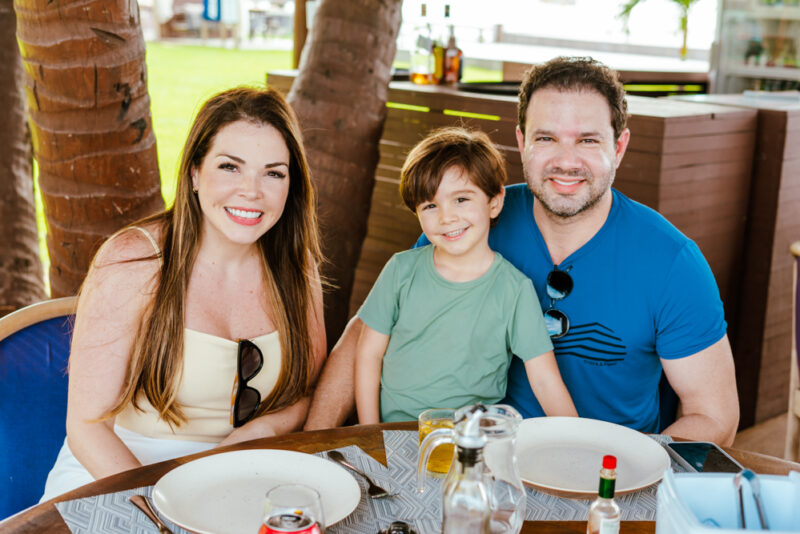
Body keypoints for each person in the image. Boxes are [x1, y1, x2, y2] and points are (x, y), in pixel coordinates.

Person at [305, 57, 739, 446]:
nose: (565, 161)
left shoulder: (672, 262)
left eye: (587, 140)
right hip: (472, 457)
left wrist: (621, 470)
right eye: (546, 138)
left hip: (597, 472)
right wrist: (312, 446)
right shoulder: (468, 219)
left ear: (619, 146)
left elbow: (714, 416)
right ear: (522, 140)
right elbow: (368, 333)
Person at [41, 86, 326, 500]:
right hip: (119, 473)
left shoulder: (298, 269)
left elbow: (305, 393)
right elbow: (87, 428)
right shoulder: (132, 262)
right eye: (230, 167)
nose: (252, 190)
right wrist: (171, 508)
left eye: (273, 172)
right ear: (194, 172)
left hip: (243, 471)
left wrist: (253, 435)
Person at [355, 127, 577, 423]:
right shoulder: (400, 270)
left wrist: (578, 442)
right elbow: (369, 355)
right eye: (430, 205)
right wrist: (371, 433)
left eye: (461, 199)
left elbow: (545, 381)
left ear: (494, 202)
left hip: (471, 440)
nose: (447, 217)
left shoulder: (514, 290)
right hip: (395, 430)